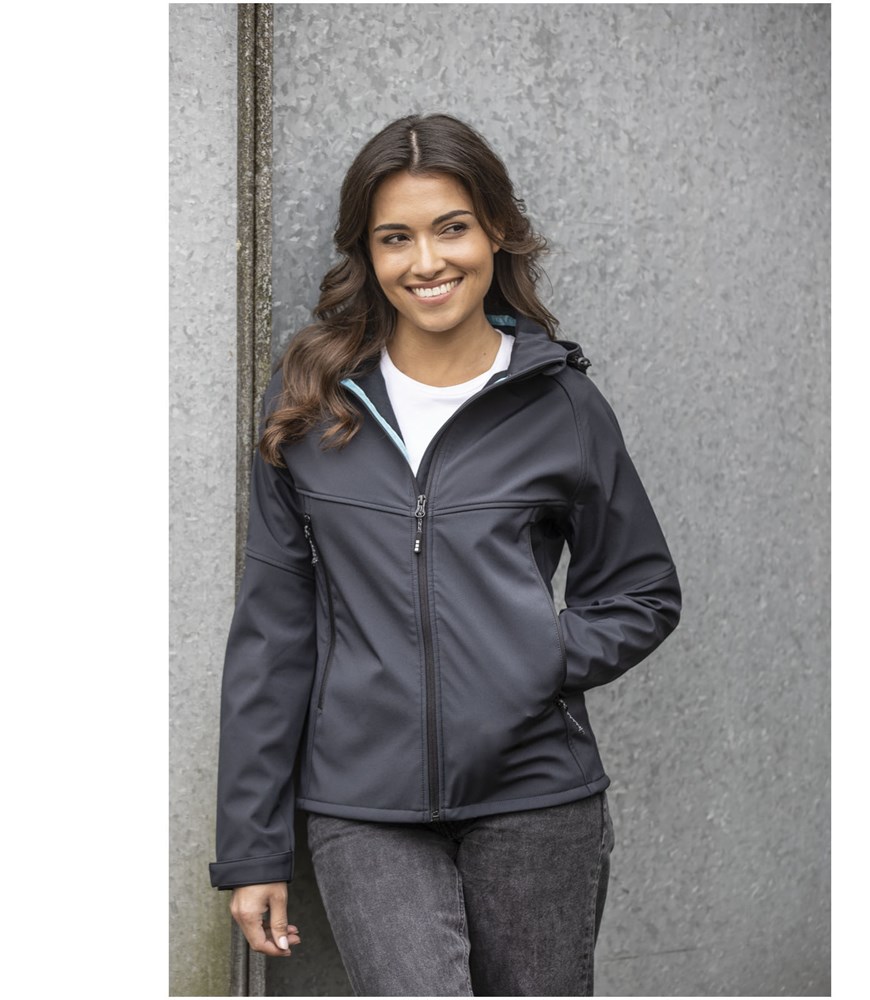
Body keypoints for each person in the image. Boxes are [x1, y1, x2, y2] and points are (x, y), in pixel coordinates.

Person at [209, 112, 681, 997]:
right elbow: (271, 632)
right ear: (367, 253)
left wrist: (538, 655)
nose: (426, 262)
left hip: (537, 797)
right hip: (363, 805)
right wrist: (252, 848)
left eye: (451, 228)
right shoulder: (311, 403)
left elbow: (642, 591)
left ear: (495, 230)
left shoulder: (561, 405)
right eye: (396, 237)